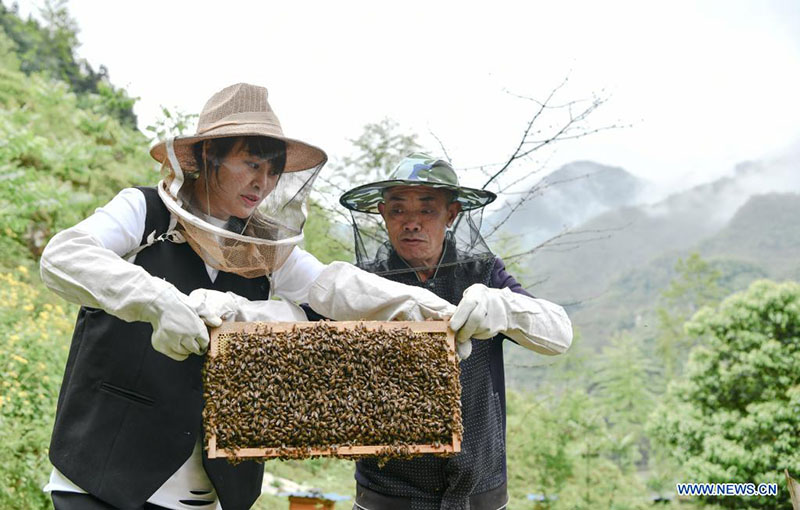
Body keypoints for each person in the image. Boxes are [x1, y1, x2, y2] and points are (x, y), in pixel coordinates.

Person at [39, 85, 457, 510]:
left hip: (210, 495)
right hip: (103, 480)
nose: (264, 183)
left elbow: (331, 286)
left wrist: (425, 309)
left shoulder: (264, 247)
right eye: (251, 164)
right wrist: (156, 300)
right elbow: (63, 256)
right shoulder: (142, 210)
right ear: (209, 157)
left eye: (273, 172)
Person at [325, 153, 574, 510]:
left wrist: (504, 307)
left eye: (426, 210)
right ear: (383, 215)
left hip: (480, 490)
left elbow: (559, 333)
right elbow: (294, 330)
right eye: (398, 210)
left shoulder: (484, 273)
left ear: (451, 214)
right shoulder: (360, 283)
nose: (411, 223)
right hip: (387, 494)